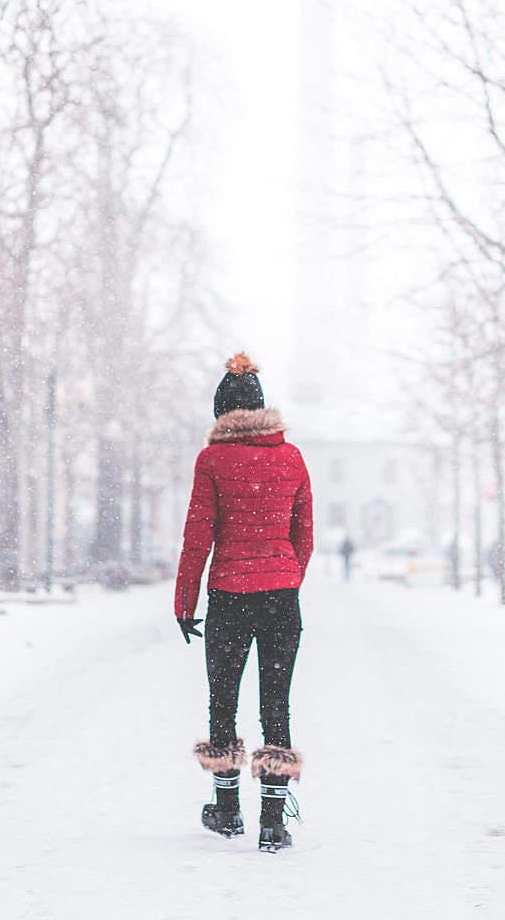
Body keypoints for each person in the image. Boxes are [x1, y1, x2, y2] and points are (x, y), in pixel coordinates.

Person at [175, 353, 312, 853]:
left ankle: (227, 810)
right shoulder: (292, 457)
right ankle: (273, 821)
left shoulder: (211, 461)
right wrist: (287, 579)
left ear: (221, 413)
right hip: (281, 597)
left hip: (229, 596)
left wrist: (184, 603)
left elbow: (198, 537)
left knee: (223, 699)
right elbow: (305, 535)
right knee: (277, 704)